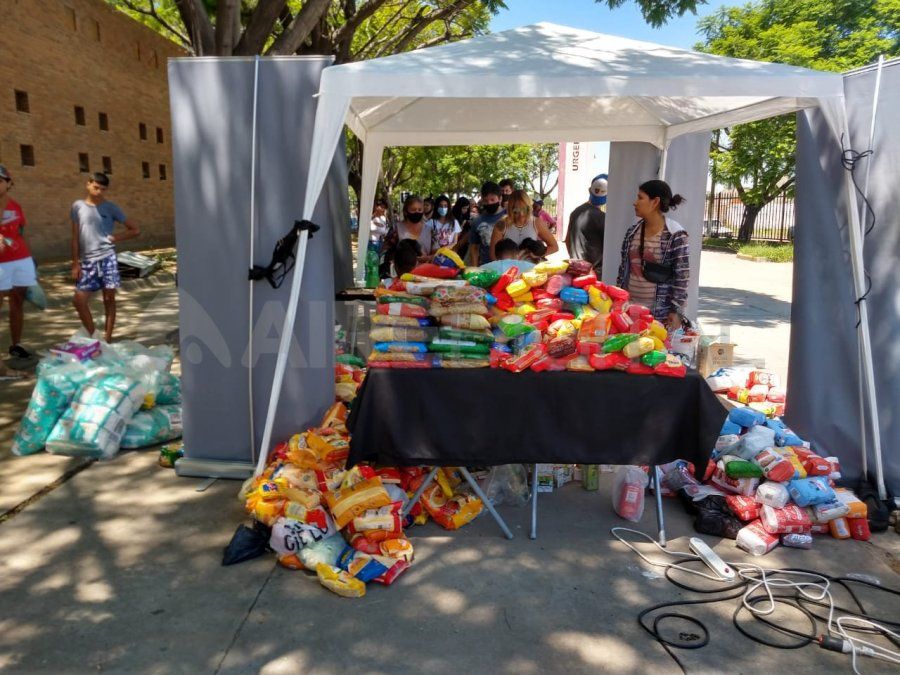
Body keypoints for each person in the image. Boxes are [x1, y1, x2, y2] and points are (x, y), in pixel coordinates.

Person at [71, 172, 140, 343]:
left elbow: (135, 230)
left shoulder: (111, 208)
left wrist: (115, 238)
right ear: (88, 184)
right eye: (96, 187)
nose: (99, 192)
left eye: (103, 189)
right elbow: (75, 237)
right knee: (79, 300)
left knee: (109, 299)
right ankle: (94, 336)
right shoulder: (77, 206)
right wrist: (75, 263)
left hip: (108, 258)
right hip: (88, 261)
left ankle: (107, 340)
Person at [616, 179, 689, 330]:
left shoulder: (675, 234)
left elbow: (682, 277)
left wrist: (676, 311)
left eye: (640, 198)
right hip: (629, 311)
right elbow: (623, 270)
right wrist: (618, 299)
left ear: (655, 202)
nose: (635, 203)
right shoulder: (632, 232)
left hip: (660, 315)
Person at [0, 164, 37, 360]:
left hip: (21, 259)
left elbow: (22, 233)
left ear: (8, 183)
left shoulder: (15, 206)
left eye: (0, 181)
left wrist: (32, 259)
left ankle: (16, 345)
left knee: (17, 302)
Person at [489, 190, 558, 261]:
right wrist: (506, 264)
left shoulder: (536, 223)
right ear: (510, 209)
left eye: (524, 209)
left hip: (531, 267)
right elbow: (493, 255)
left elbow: (554, 247)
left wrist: (537, 254)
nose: (521, 214)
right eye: (516, 210)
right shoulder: (501, 224)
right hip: (509, 267)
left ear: (529, 207)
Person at [380, 194, 436, 276]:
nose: (417, 212)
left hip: (425, 274)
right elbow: (385, 251)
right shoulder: (397, 229)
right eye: (413, 210)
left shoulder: (430, 230)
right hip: (401, 275)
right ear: (406, 211)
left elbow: (437, 253)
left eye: (420, 210)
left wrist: (427, 258)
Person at [565, 174, 607, 273]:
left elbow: (567, 241)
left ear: (589, 190)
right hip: (593, 272)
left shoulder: (575, 212)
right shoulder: (602, 218)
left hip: (575, 269)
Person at [468, 182, 505, 266]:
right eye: (485, 200)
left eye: (492, 199)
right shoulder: (477, 221)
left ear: (500, 199)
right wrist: (475, 268)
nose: (489, 203)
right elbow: (474, 248)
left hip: (509, 267)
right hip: (486, 268)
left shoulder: (509, 216)